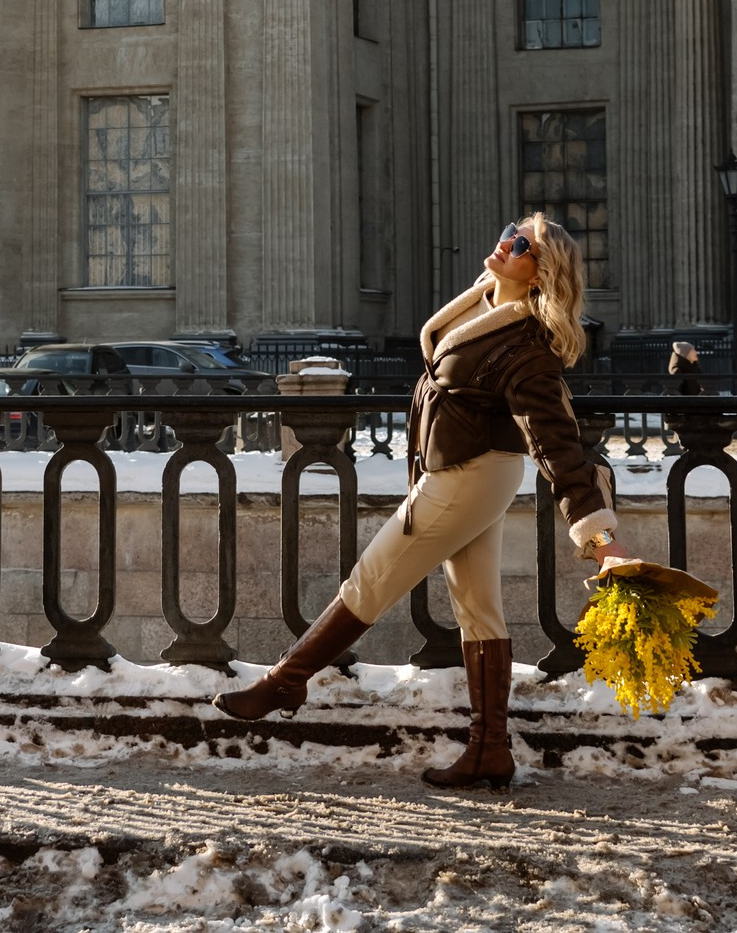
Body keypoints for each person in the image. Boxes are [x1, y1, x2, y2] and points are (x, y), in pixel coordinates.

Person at [214, 213, 630, 788]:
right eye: (510, 231)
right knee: (478, 607)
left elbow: (555, 442)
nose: (504, 244)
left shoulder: (527, 345)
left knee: (372, 578)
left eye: (520, 245)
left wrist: (599, 536)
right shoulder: (482, 307)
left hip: (469, 476)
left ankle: (287, 679)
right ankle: (490, 749)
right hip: (462, 471)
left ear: (540, 274)